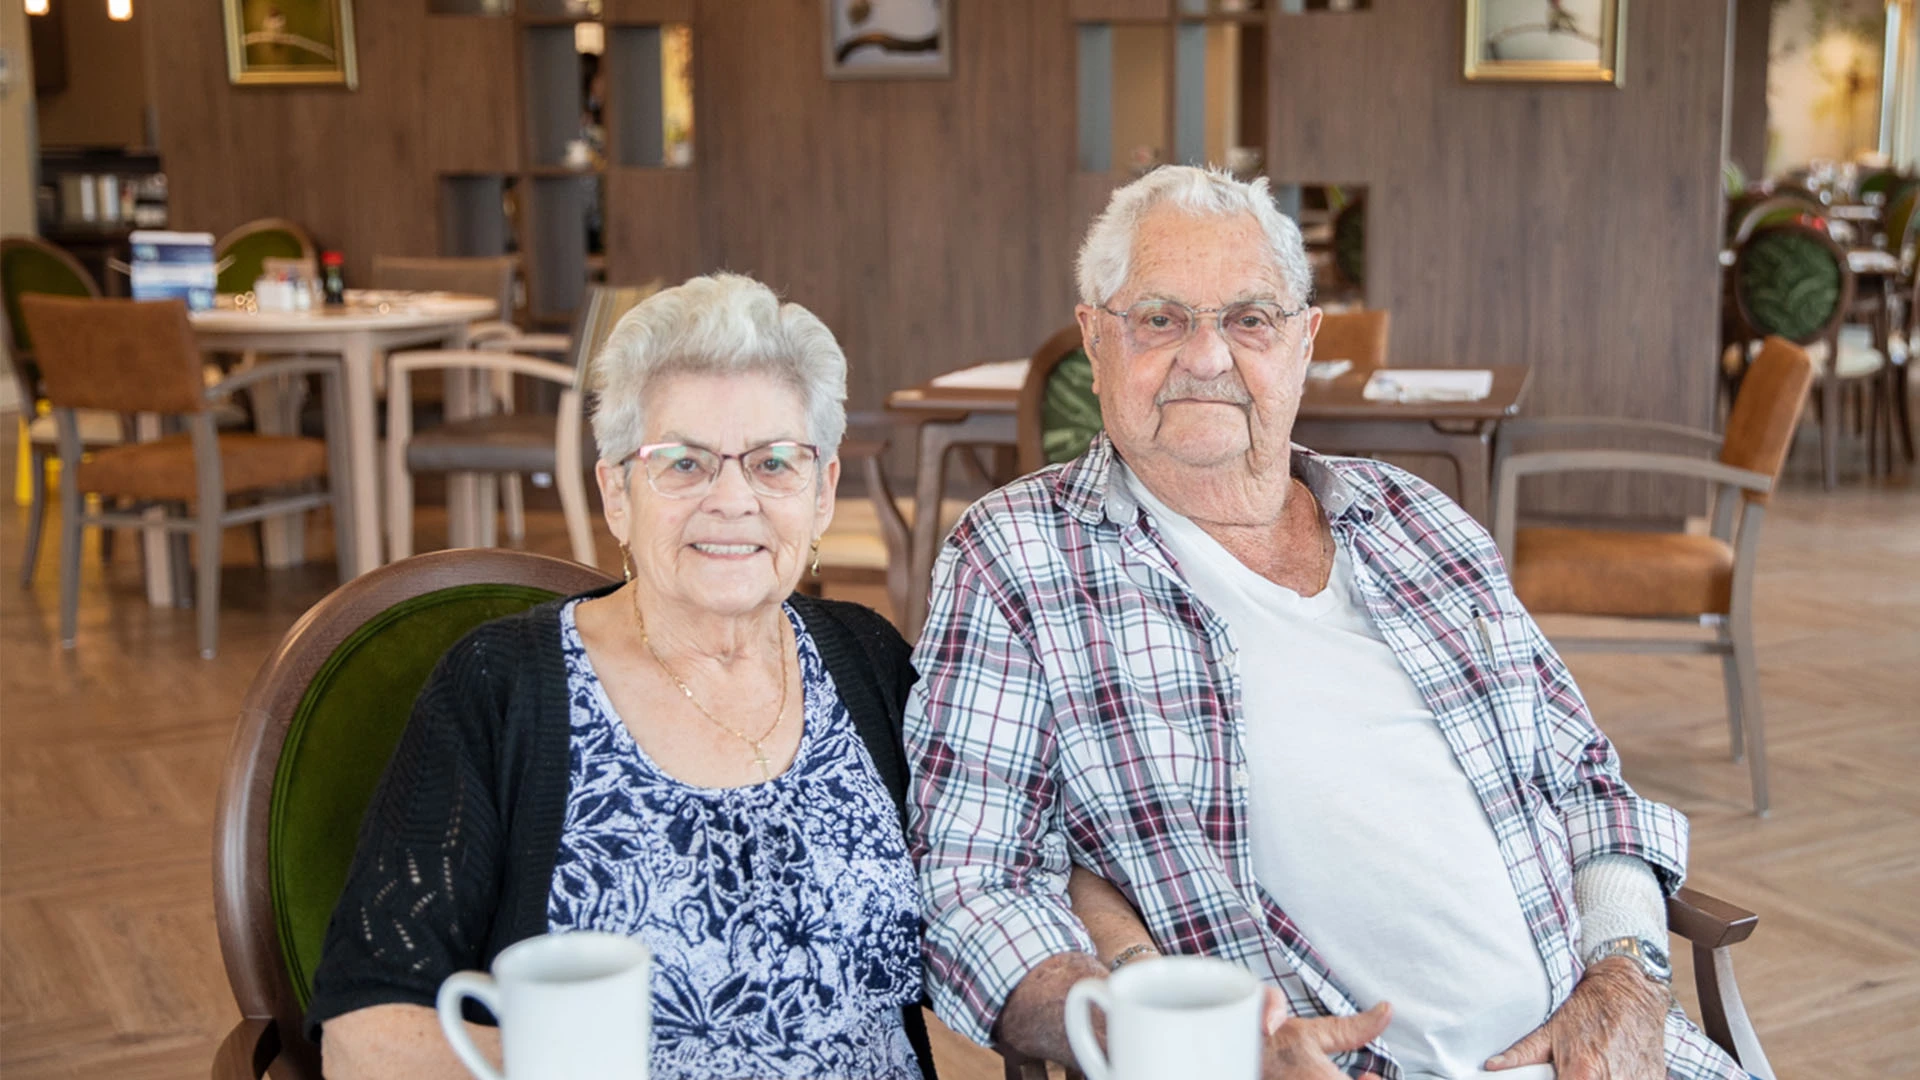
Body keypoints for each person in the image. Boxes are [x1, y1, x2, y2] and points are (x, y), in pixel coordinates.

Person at [905, 167, 1747, 1080]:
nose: (1205, 357)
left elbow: (1585, 780)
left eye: (1249, 319)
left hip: (1609, 1048)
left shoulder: (1417, 520)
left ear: (1304, 344)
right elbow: (971, 886)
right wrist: (1172, 1037)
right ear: (1093, 339)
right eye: (1160, 318)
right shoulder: (1019, 558)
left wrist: (1627, 974)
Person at [307, 274, 934, 1079]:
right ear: (616, 493)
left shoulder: (869, 661)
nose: (733, 499)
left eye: (775, 463)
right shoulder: (502, 688)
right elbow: (368, 1033)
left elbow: (985, 885)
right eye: (684, 464)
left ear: (822, 495)